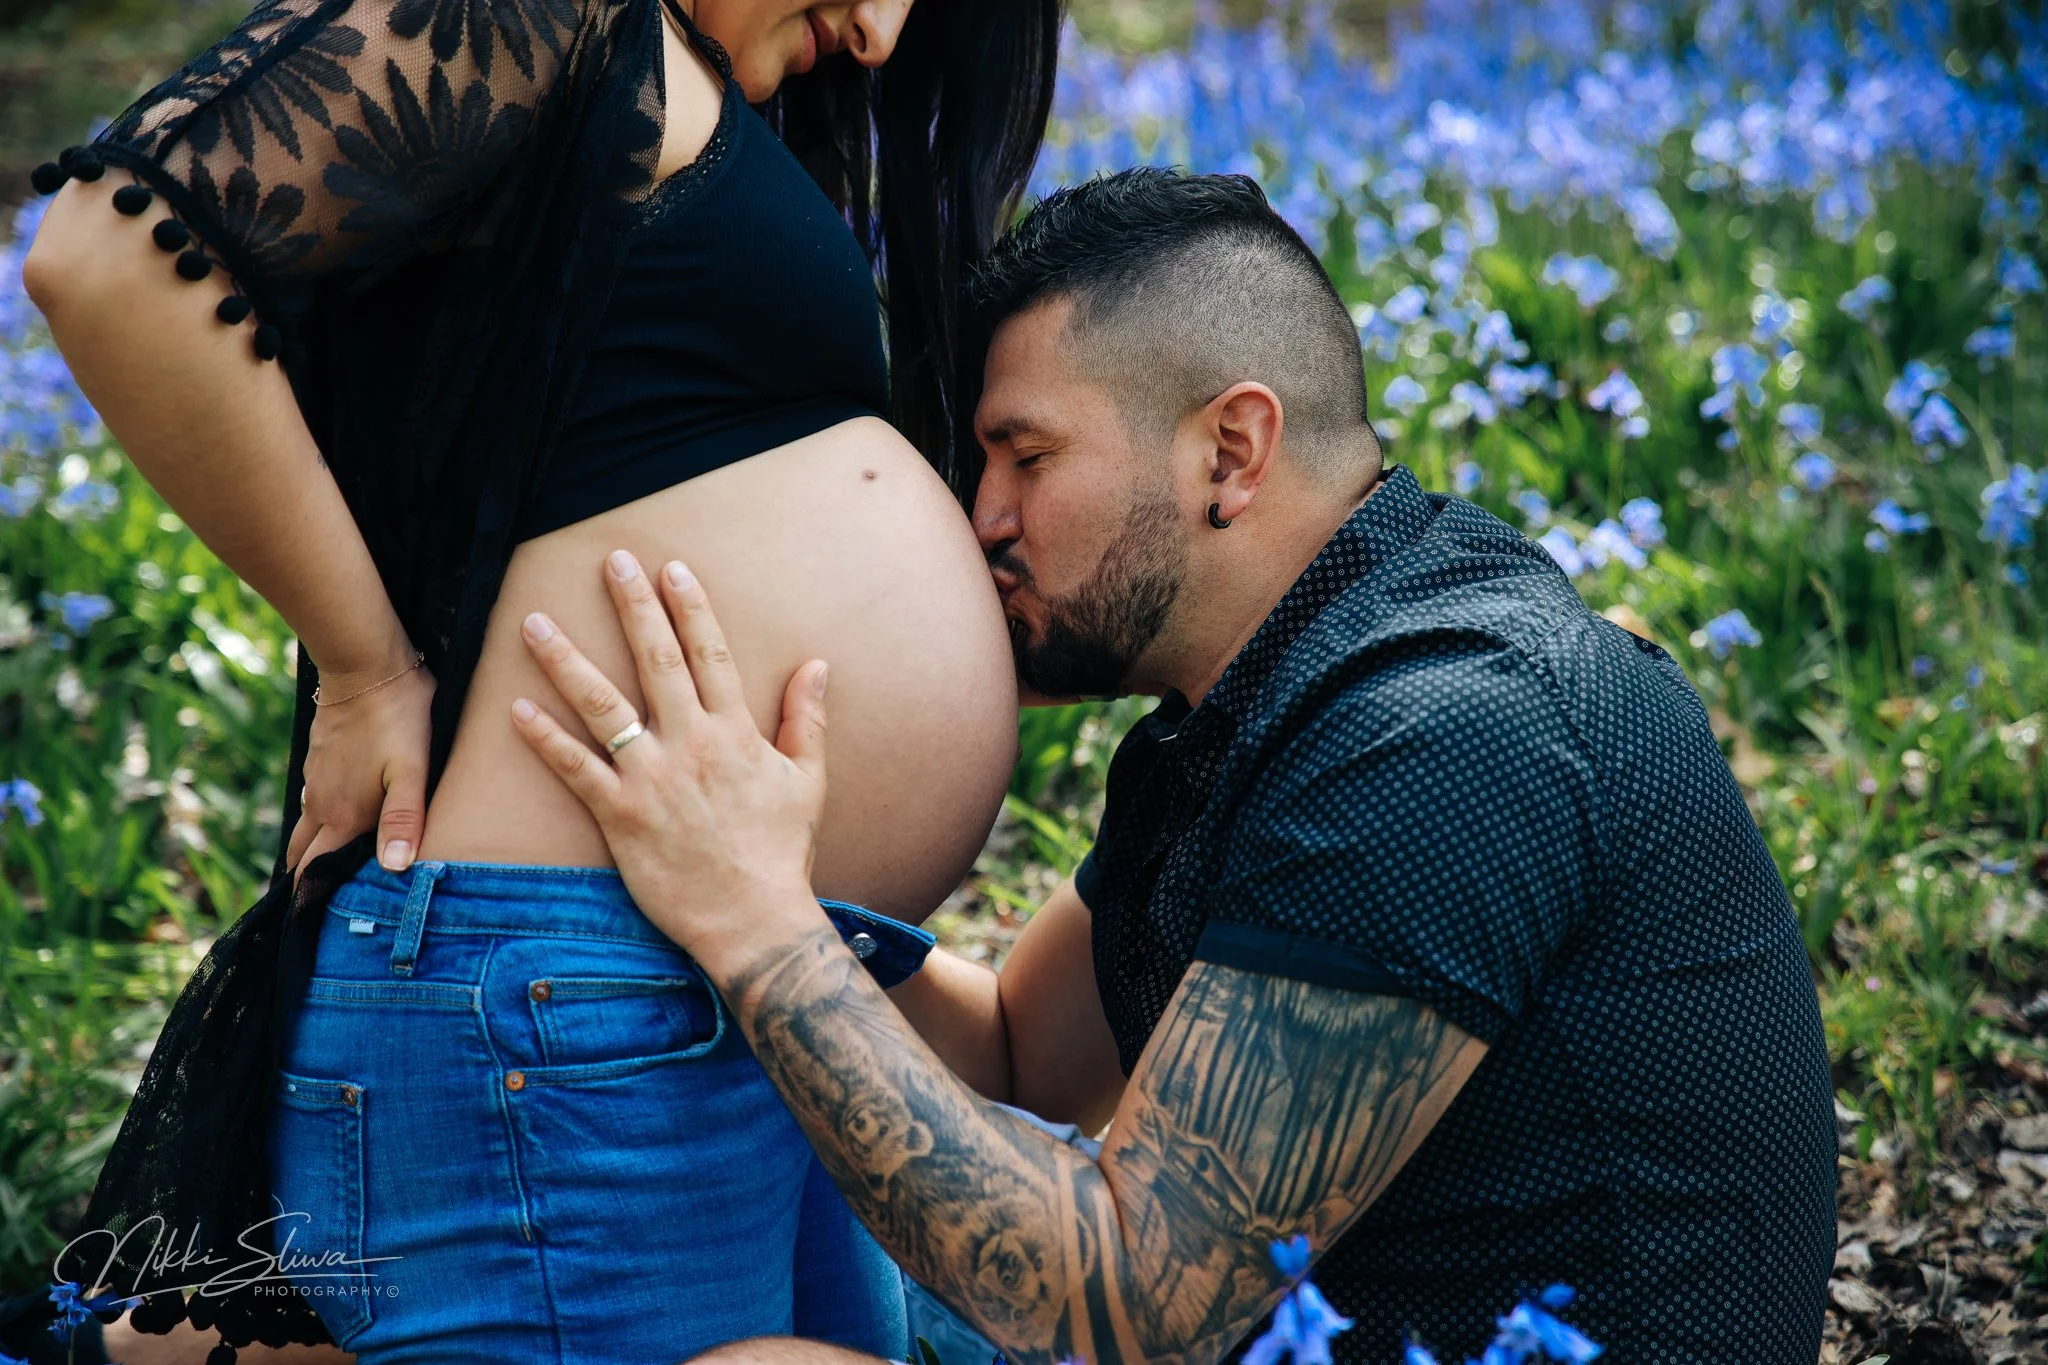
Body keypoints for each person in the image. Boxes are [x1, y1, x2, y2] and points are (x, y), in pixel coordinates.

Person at [507, 168, 1842, 1365]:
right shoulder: (1268, 705)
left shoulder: (1438, 741)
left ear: (1230, 450)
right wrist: (727, 863)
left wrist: (759, 932)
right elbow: (1024, 1056)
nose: (984, 518)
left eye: (1026, 456)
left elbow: (1130, 1306)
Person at [22, 0, 1058, 1359]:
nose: (874, 31)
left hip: (713, 979)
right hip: (558, 999)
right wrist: (362, 668)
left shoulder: (650, 91)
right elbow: (105, 261)